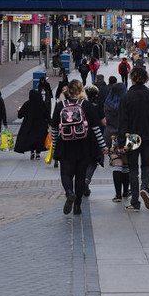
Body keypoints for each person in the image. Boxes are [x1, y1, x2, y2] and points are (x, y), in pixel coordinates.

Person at [50, 79, 108, 215]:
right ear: (81, 90)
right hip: (84, 145)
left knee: (65, 173)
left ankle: (69, 192)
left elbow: (54, 128)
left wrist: (54, 146)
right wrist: (103, 146)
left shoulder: (60, 106)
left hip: (65, 144)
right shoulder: (87, 106)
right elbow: (96, 129)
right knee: (80, 176)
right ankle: (77, 206)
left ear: (68, 91)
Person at [118, 67, 149, 212]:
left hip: (132, 137)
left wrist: (122, 142)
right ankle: (144, 187)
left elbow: (123, 122)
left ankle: (134, 202)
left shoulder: (126, 97)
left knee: (133, 168)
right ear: (146, 78)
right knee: (147, 165)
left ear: (132, 78)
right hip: (148, 135)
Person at [104, 82, 129, 201]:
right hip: (124, 135)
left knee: (116, 163)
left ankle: (117, 194)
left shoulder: (107, 104)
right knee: (125, 164)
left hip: (111, 135)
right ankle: (125, 191)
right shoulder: (126, 104)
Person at [15, 89, 49, 160]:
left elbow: (20, 115)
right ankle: (38, 154)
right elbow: (47, 115)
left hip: (29, 125)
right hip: (41, 126)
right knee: (39, 140)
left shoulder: (27, 104)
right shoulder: (42, 104)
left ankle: (32, 151)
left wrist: (19, 110)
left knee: (31, 139)